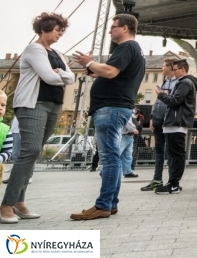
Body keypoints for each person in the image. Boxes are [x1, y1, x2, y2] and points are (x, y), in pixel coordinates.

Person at [70, 13, 145, 220]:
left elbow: (111, 72)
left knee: (110, 158)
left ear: (125, 28)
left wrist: (90, 62)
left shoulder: (127, 47)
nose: (110, 30)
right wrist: (96, 71)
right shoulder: (134, 49)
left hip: (111, 108)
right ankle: (110, 203)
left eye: (114, 27)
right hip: (115, 107)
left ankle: (103, 205)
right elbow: (115, 73)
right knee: (113, 158)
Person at [2, 12, 75, 224]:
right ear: (44, 29)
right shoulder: (33, 49)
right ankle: (6, 205)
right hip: (33, 104)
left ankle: (19, 202)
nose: (60, 34)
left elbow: (70, 77)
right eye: (57, 30)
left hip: (53, 105)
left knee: (33, 154)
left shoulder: (58, 53)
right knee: (30, 151)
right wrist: (59, 74)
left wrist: (60, 73)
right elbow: (49, 77)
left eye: (62, 31)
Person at [154, 59, 197, 195]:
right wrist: (167, 95)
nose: (173, 72)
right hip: (175, 122)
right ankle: (172, 182)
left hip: (177, 123)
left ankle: (174, 184)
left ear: (183, 69)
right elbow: (177, 99)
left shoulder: (185, 82)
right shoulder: (184, 82)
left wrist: (161, 95)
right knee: (173, 154)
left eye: (175, 70)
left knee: (176, 155)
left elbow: (175, 101)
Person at [141, 58, 177, 191]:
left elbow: (174, 100)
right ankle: (157, 179)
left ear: (170, 68)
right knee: (159, 150)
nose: (162, 68)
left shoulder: (178, 82)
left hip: (168, 121)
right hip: (157, 119)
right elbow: (157, 100)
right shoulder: (164, 81)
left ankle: (172, 181)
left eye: (163, 66)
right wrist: (152, 117)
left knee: (170, 151)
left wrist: (165, 94)